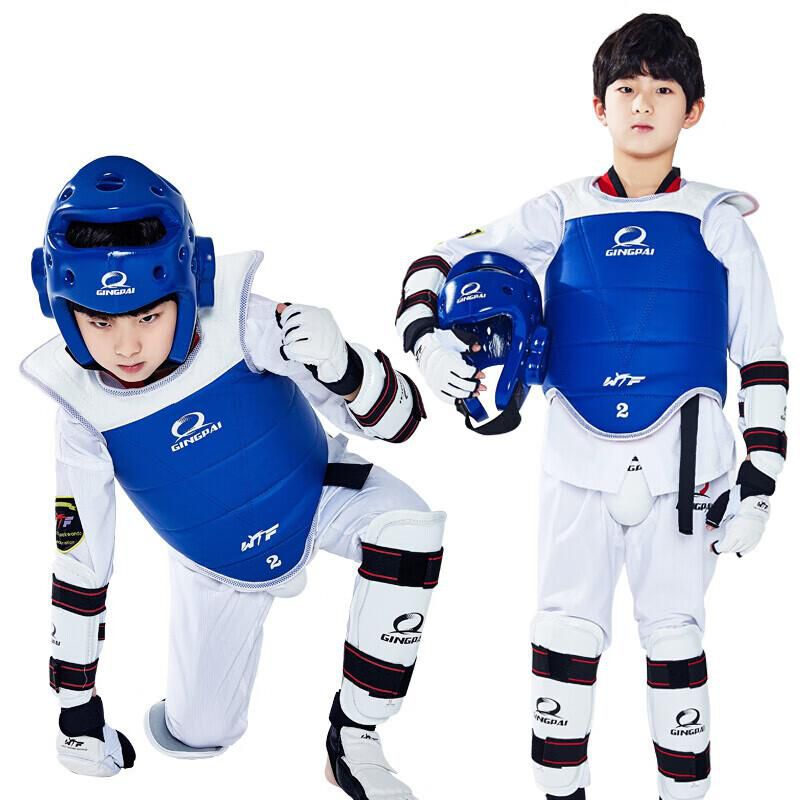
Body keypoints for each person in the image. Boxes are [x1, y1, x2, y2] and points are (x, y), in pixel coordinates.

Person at [395, 13, 787, 800]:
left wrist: (760, 483)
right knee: (563, 632)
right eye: (627, 88)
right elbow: (441, 259)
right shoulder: (559, 211)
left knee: (675, 636)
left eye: (664, 90)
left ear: (694, 110)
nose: (643, 103)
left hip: (687, 467)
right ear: (598, 106)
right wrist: (426, 339)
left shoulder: (716, 220)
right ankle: (561, 790)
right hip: (575, 459)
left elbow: (763, 354)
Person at [22, 155, 442, 800]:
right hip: (213, 561)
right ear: (61, 308)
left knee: (408, 528)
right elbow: (81, 559)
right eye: (100, 321)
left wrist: (348, 365)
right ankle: (188, 725)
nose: (126, 347)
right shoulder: (82, 412)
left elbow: (403, 423)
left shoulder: (246, 322)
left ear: (192, 284)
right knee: (201, 735)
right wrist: (74, 707)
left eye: (147, 316)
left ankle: (355, 737)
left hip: (320, 488)